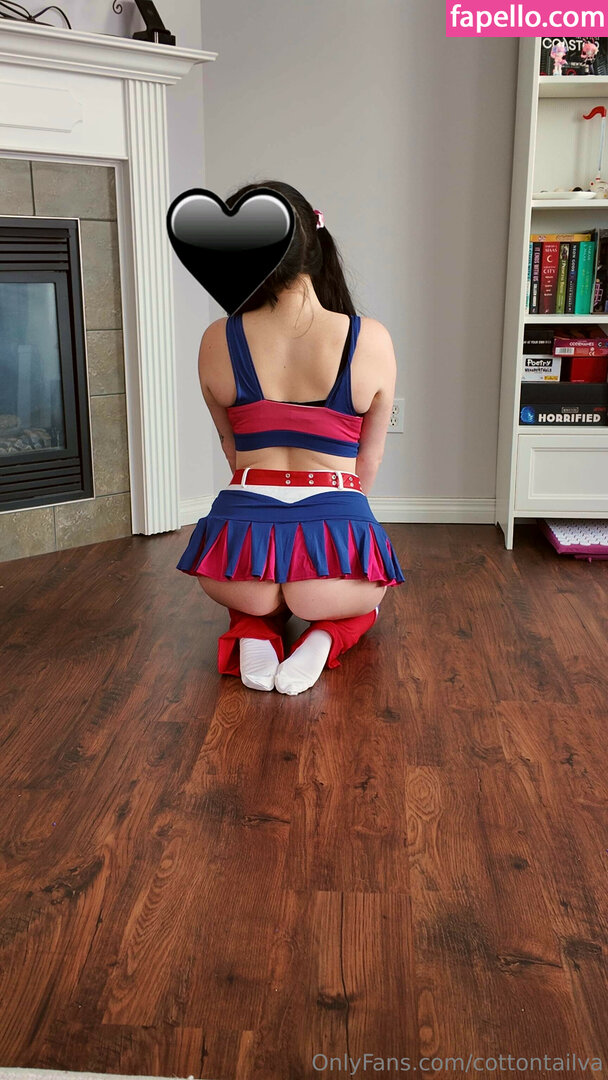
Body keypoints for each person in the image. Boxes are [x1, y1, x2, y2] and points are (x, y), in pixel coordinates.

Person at [176, 179, 405, 695]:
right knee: (371, 596)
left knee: (262, 596)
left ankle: (254, 625)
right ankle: (325, 636)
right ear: (314, 246)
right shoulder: (370, 338)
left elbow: (233, 451)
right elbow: (367, 465)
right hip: (331, 551)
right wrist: (338, 534)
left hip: (237, 559)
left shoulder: (217, 338)